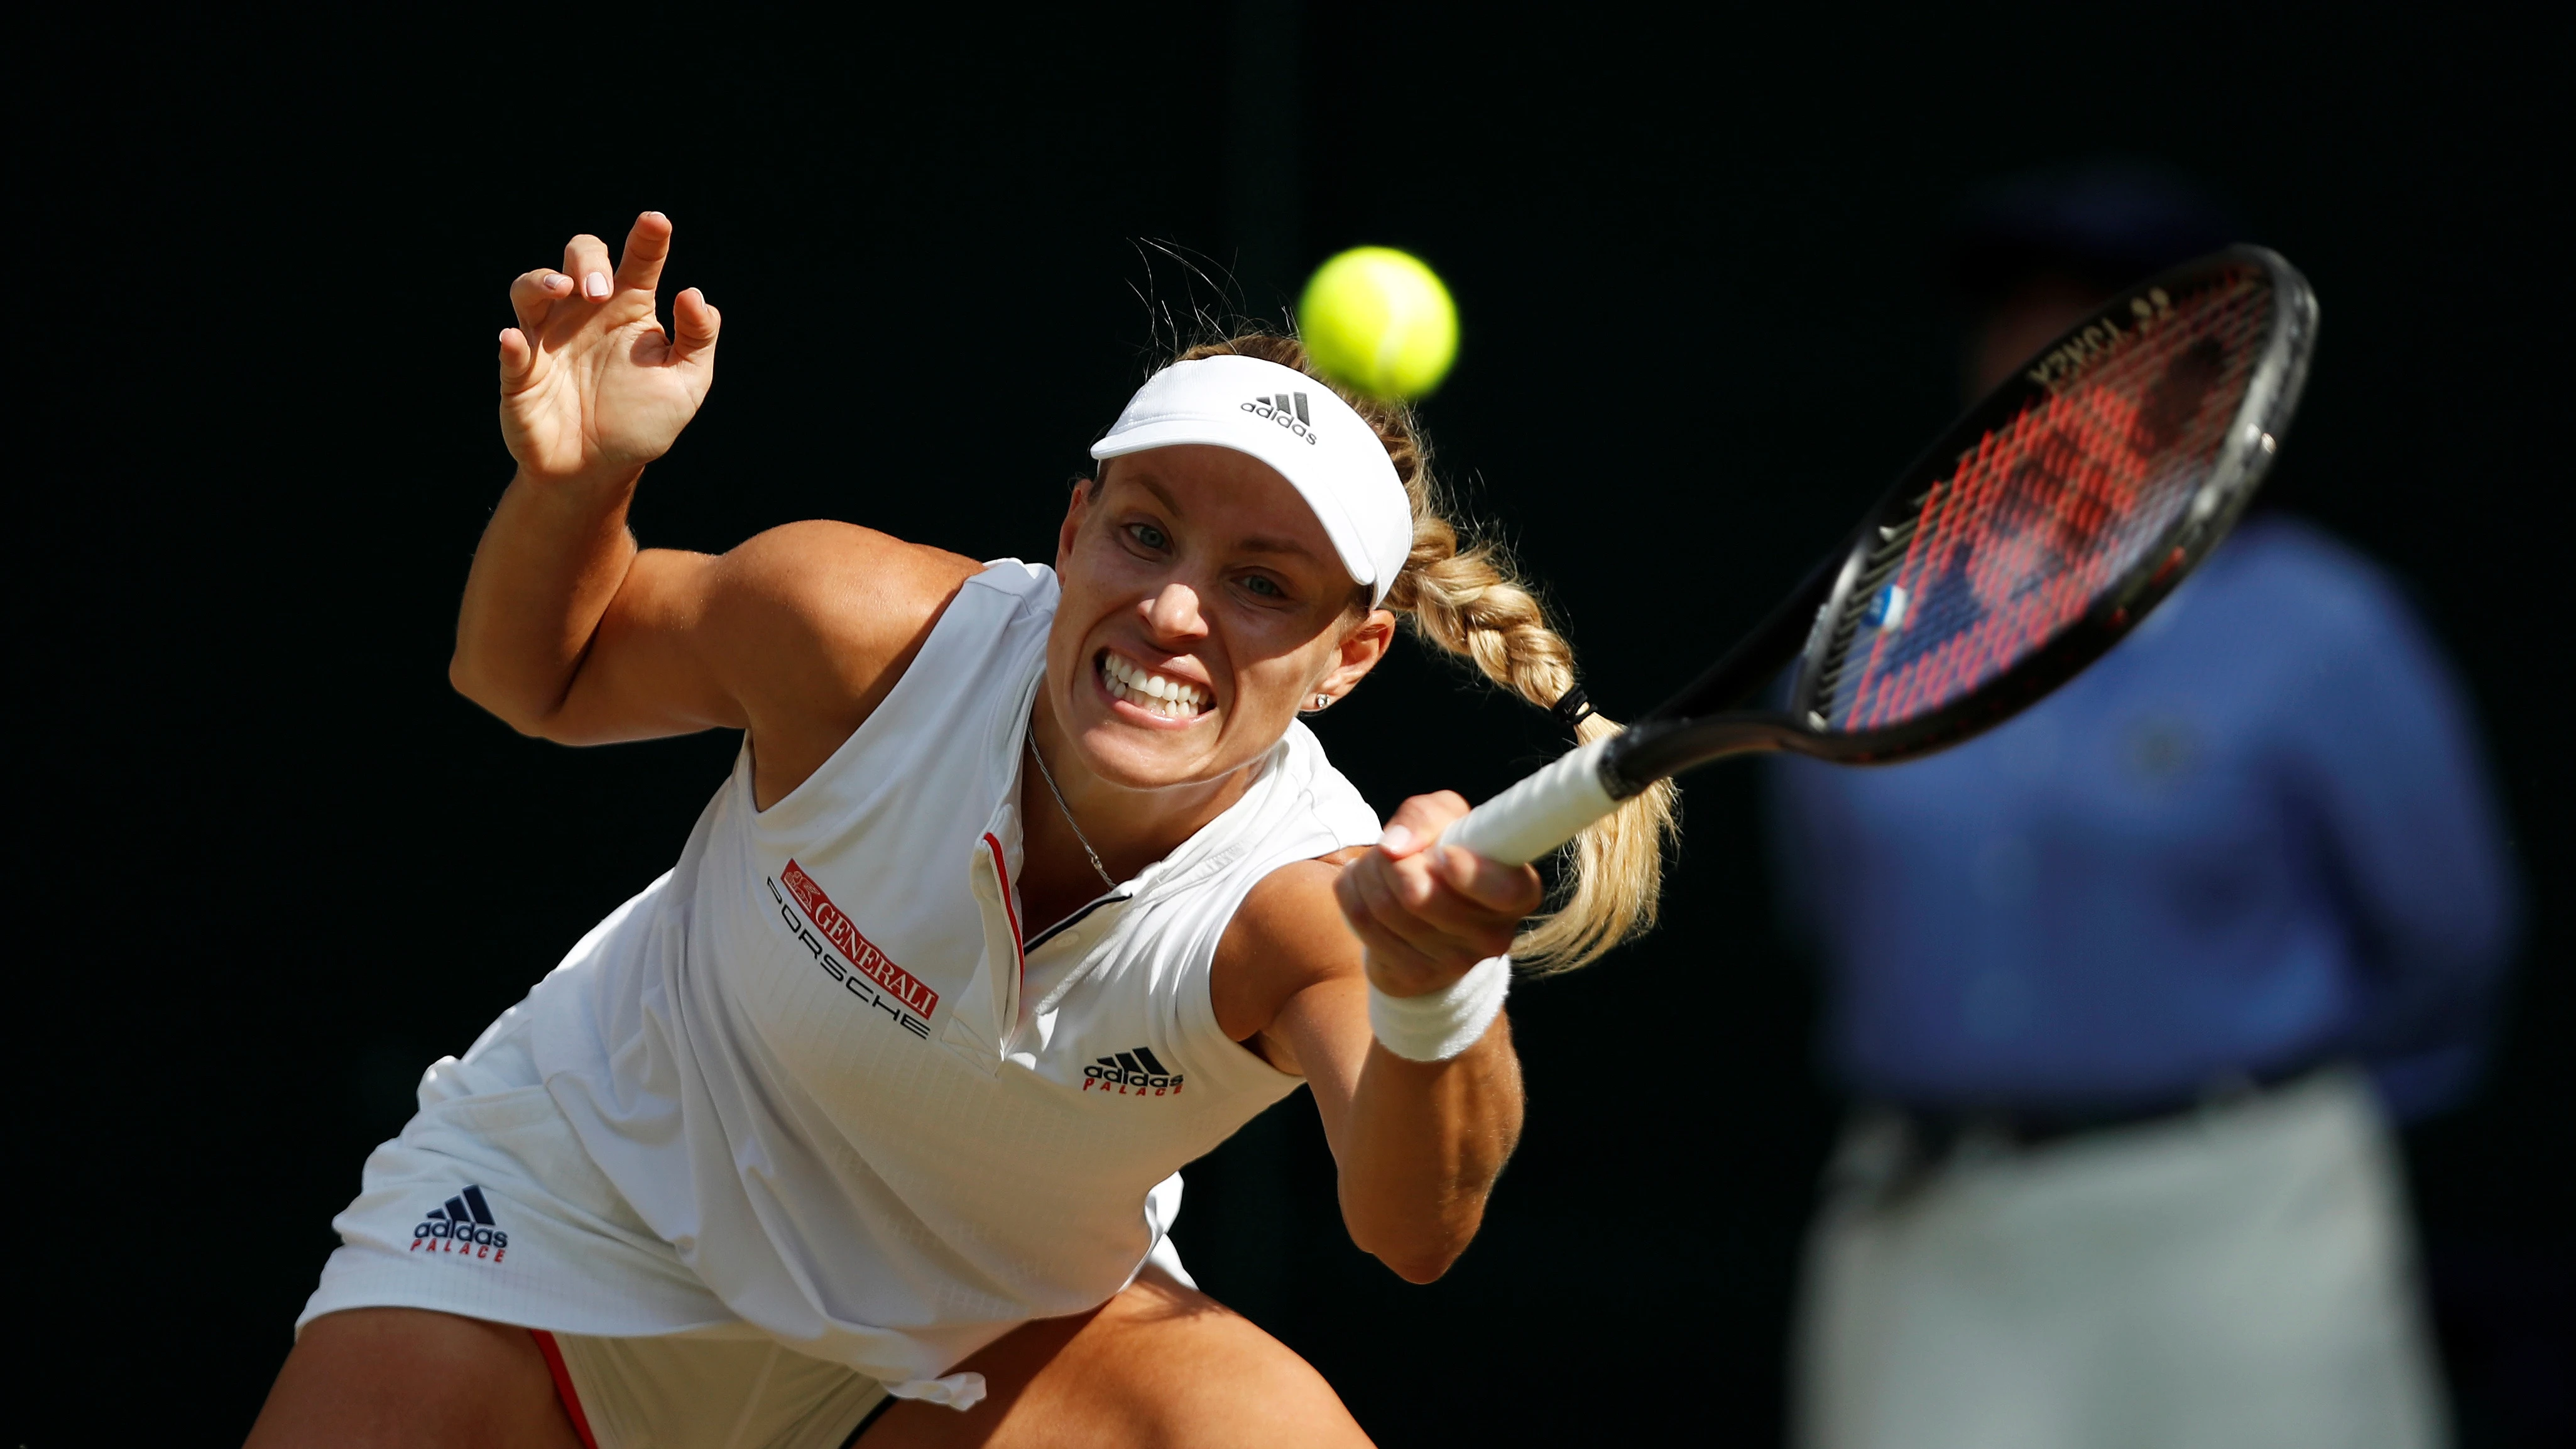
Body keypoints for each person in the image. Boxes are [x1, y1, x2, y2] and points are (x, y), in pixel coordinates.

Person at [245, 212, 1676, 1448]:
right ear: (1072, 528)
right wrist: (579, 486)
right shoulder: (852, 632)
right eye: (1145, 534)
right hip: (568, 1218)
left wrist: (1435, 991)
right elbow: (534, 677)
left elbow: (1414, 1231)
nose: (1174, 609)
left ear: (1349, 657)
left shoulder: (1296, 906)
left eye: (1259, 583)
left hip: (969, 1352)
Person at [1771, 167, 2523, 1449]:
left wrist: (2232, 1112)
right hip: (1931, 1222)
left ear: (2214, 375)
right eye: (2020, 322)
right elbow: (1831, 915)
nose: (2055, 366)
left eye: (2114, 327)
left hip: (2239, 1223)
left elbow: (2449, 950)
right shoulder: (1865, 640)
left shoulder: (2325, 631)